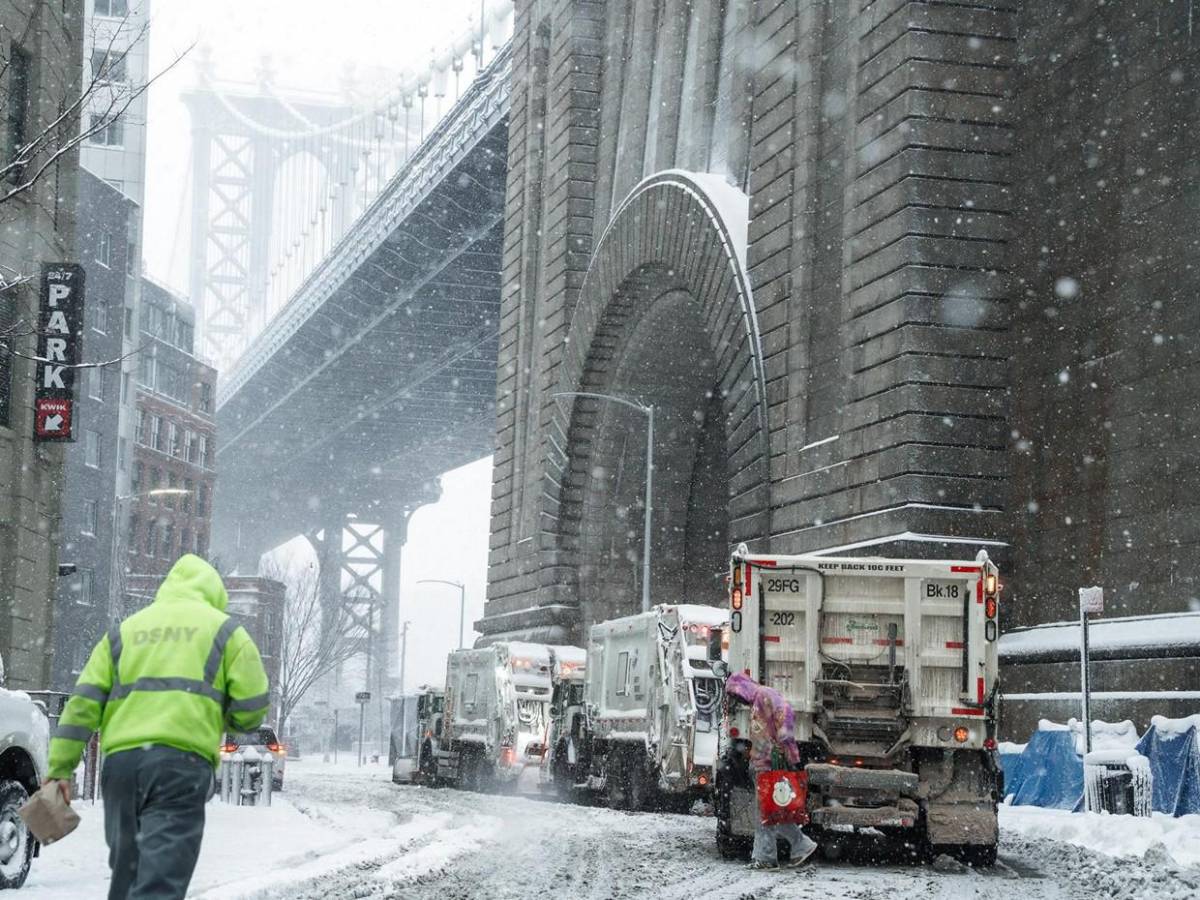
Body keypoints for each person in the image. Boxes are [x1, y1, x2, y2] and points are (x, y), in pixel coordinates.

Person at [45, 555, 270, 900]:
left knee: (128, 877)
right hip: (181, 766)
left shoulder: (124, 631)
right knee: (159, 884)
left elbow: (82, 705)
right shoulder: (226, 632)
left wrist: (60, 768)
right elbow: (252, 707)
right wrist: (221, 718)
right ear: (214, 594)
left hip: (121, 769)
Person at [725, 672, 819, 870]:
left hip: (768, 765)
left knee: (765, 813)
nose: (738, 699)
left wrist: (791, 756)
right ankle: (800, 845)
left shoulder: (764, 696)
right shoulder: (760, 698)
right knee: (773, 810)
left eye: (736, 694)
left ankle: (767, 857)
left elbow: (785, 719)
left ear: (743, 687)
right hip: (764, 764)